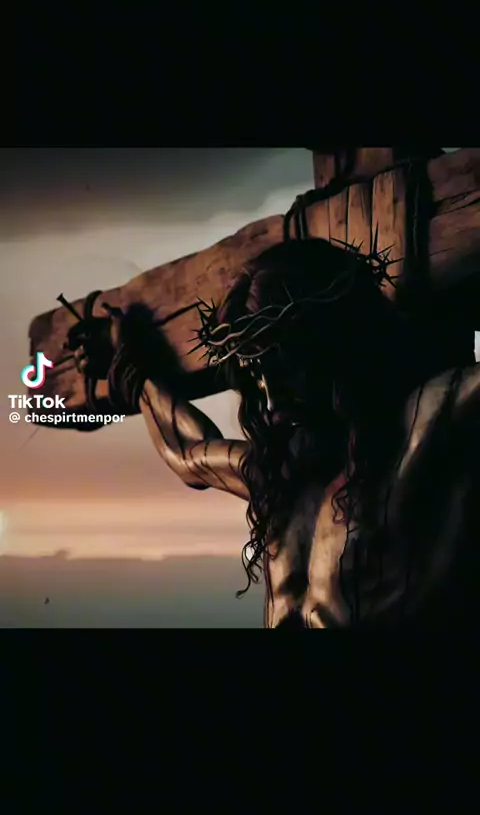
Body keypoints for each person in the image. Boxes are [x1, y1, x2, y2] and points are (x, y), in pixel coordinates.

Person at [76, 238, 480, 629]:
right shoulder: (276, 480)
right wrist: (127, 368)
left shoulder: (428, 425)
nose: (271, 400)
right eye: (256, 374)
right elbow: (188, 451)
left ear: (335, 345)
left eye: (286, 365)